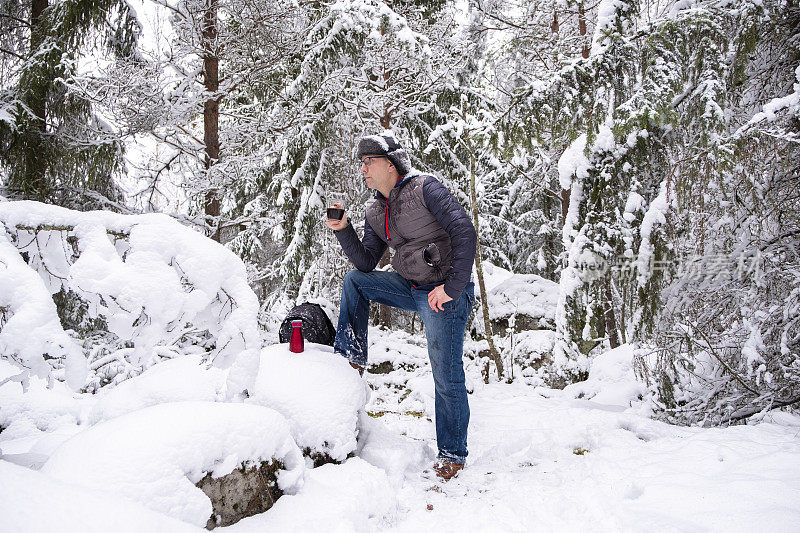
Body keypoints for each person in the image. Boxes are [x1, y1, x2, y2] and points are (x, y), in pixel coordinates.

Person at [325, 131, 477, 481]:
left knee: (446, 374)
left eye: (369, 162)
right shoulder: (375, 210)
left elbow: (464, 231)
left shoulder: (427, 188)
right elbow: (366, 262)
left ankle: (452, 454)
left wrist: (452, 287)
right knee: (355, 282)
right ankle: (351, 359)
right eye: (360, 163)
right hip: (409, 287)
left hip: (443, 293)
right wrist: (343, 229)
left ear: (390, 163)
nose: (362, 169)